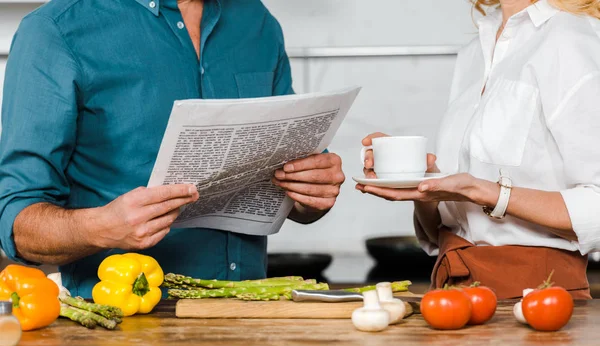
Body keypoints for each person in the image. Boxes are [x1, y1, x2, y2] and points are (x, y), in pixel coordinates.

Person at [0, 0, 345, 297]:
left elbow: (294, 196)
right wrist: (100, 226)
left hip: (250, 317)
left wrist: (311, 192)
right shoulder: (54, 31)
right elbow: (17, 223)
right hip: (120, 330)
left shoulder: (256, 20)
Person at [358, 0, 600, 299]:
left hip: (537, 297)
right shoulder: (475, 49)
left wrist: (485, 192)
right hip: (451, 293)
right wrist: (425, 183)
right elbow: (448, 228)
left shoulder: (574, 39)